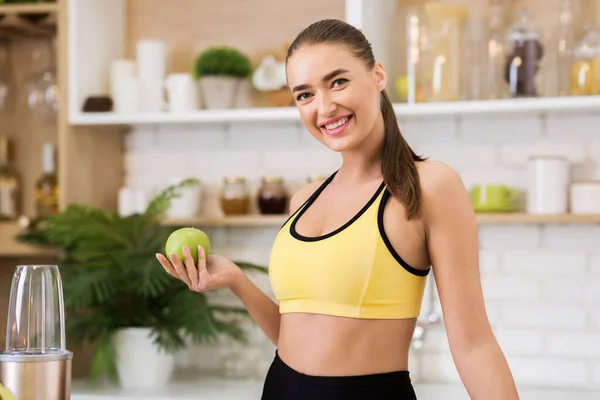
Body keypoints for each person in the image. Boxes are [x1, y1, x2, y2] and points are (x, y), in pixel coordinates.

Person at [156, 18, 519, 400]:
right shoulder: (304, 199)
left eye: (338, 81)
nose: (324, 107)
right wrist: (237, 282)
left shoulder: (429, 186)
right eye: (304, 94)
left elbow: (474, 345)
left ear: (377, 74)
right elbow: (293, 338)